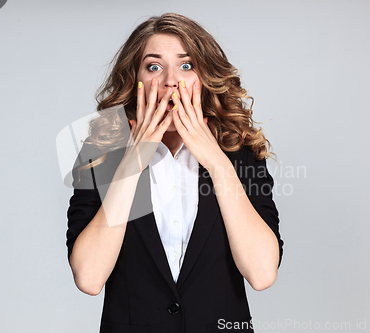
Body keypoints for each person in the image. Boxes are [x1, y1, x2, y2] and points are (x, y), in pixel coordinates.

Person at [66, 13, 283, 333]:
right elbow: (89, 278)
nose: (170, 80)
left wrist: (218, 163)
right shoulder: (100, 154)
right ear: (134, 78)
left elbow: (262, 274)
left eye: (186, 65)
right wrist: (131, 165)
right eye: (154, 66)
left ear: (205, 76)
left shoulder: (240, 152)